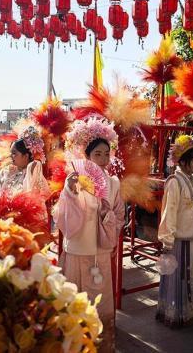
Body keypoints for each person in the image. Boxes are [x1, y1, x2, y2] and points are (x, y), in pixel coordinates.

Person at [53, 117, 125, 353]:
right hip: (78, 247)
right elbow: (64, 214)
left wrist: (108, 219)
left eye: (106, 154)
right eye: (97, 154)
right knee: (76, 297)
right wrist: (71, 193)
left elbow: (119, 213)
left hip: (101, 248)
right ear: (87, 156)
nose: (103, 159)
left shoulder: (113, 183)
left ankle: (100, 344)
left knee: (100, 300)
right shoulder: (75, 179)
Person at [157, 135, 193, 328]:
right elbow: (169, 211)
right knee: (181, 277)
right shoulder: (174, 181)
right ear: (181, 161)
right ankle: (177, 314)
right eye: (192, 160)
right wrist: (167, 240)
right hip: (179, 240)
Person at [0, 126, 51, 242]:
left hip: (25, 225)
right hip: (3, 221)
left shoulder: (34, 171)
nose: (11, 157)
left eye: (14, 153)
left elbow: (33, 196)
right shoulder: (7, 171)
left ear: (26, 156)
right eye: (11, 153)